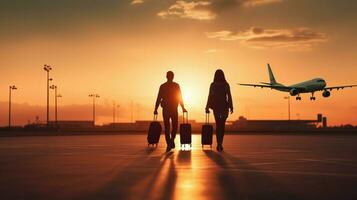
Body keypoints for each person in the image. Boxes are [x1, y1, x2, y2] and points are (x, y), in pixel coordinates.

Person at [154, 71, 187, 152]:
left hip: (165, 109)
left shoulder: (163, 86)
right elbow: (180, 97)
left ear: (166, 76)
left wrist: (155, 109)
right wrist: (183, 107)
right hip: (173, 108)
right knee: (175, 125)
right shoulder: (176, 86)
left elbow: (159, 98)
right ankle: (171, 139)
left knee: (167, 126)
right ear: (173, 77)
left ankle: (169, 142)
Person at [205, 69, 233, 152]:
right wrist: (231, 106)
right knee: (222, 125)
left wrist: (207, 106)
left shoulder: (213, 85)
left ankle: (218, 143)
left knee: (218, 125)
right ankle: (220, 143)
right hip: (224, 107)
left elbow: (210, 96)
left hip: (216, 107)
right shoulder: (226, 85)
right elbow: (229, 96)